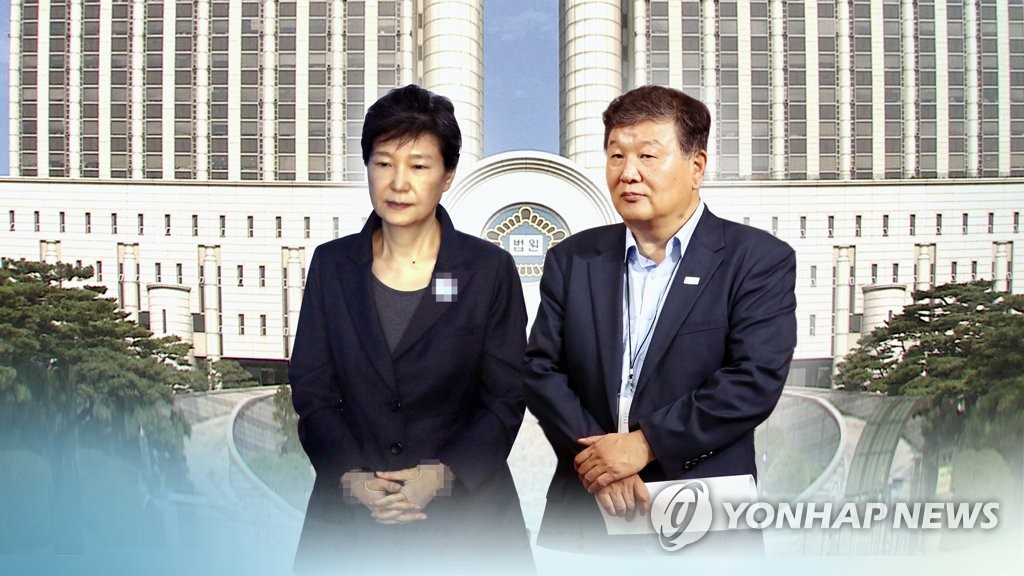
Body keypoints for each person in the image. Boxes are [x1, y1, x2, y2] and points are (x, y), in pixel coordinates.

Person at [523, 85, 797, 555]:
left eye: (647, 156)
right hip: (588, 509)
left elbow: (753, 379)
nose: (628, 173)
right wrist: (599, 462)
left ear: (696, 167)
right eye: (616, 156)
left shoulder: (755, 259)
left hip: (702, 510)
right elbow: (541, 370)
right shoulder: (574, 259)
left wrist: (646, 444)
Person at [288, 84, 533, 572]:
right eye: (384, 163)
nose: (398, 183)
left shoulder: (488, 270)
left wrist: (441, 475)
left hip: (468, 526)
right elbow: (313, 391)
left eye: (418, 166)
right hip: (351, 525)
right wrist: (351, 477)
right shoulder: (332, 265)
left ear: (447, 176)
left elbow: (506, 398)